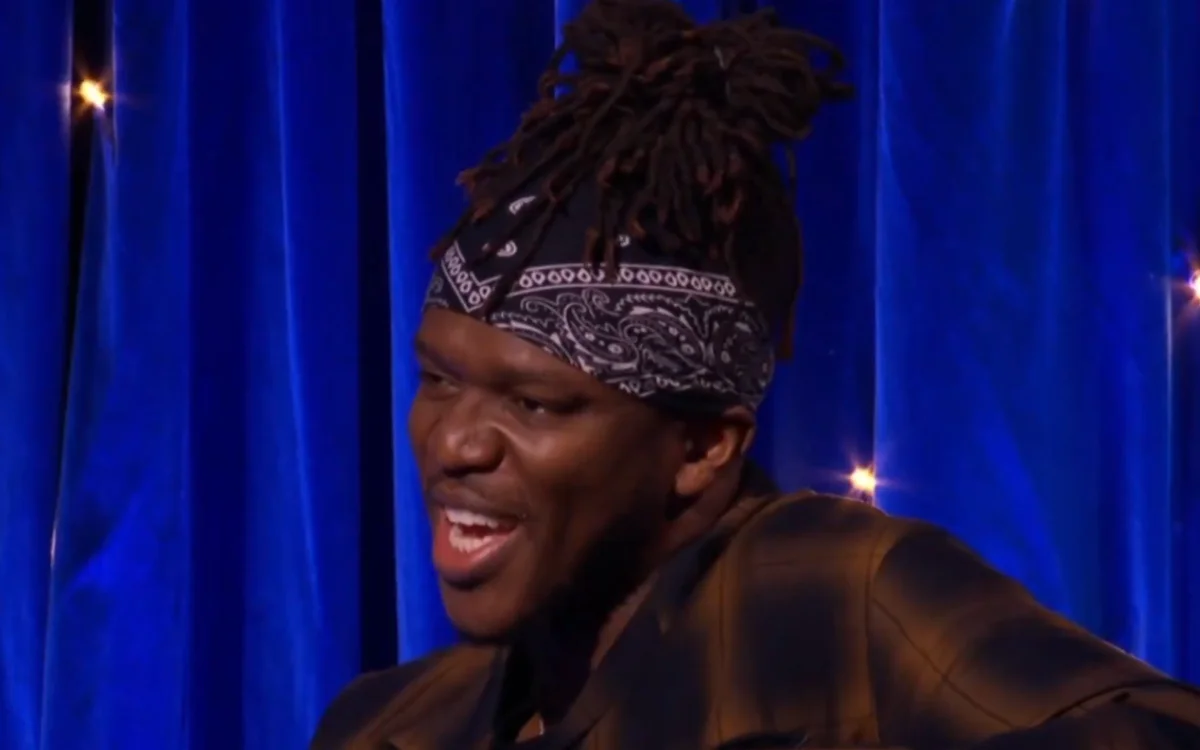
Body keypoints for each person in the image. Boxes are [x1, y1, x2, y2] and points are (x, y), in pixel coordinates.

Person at [311, 1, 1200, 747]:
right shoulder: (388, 722)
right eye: (438, 381)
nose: (454, 444)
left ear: (702, 448)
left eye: (535, 403)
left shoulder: (831, 596)